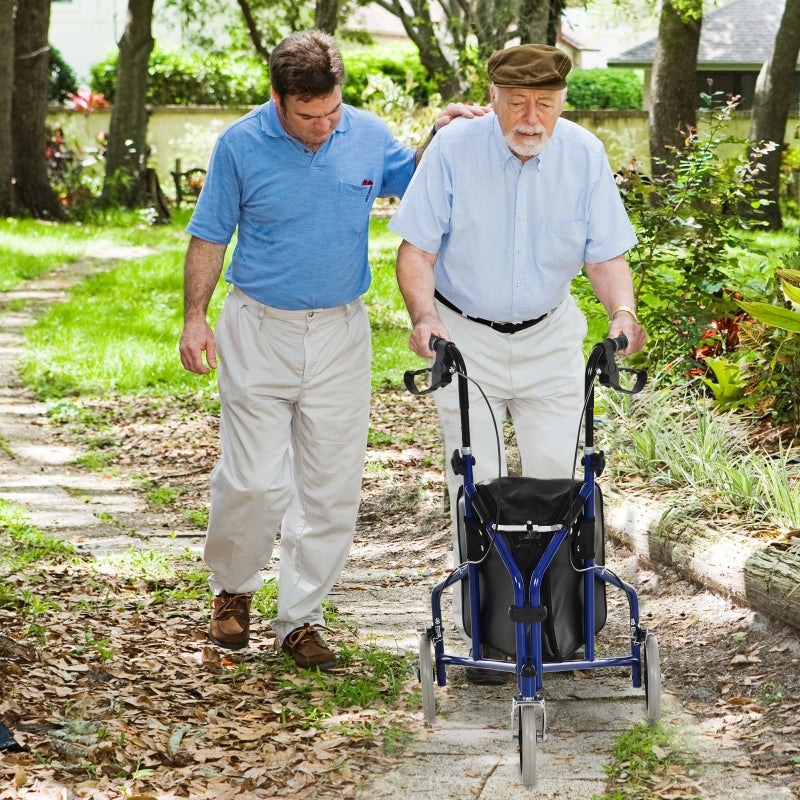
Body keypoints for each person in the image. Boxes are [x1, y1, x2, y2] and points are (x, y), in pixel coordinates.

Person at [178, 30, 484, 671]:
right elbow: (209, 236)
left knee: (331, 487)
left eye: (331, 112)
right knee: (257, 481)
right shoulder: (240, 144)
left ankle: (301, 620)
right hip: (258, 326)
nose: (322, 126)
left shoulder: (366, 134)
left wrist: (445, 132)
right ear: (277, 99)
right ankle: (232, 588)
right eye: (307, 115)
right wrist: (195, 318)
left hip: (342, 331)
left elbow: (420, 180)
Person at [389, 43, 647, 682]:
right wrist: (425, 319)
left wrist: (623, 312)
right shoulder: (452, 151)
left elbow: (605, 253)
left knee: (562, 481)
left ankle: (559, 625)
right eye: (518, 103)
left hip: (550, 335)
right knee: (475, 481)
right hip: (465, 334)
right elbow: (415, 251)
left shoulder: (584, 153)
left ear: (562, 103)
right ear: (494, 101)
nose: (532, 118)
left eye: (546, 104)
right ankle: (485, 632)